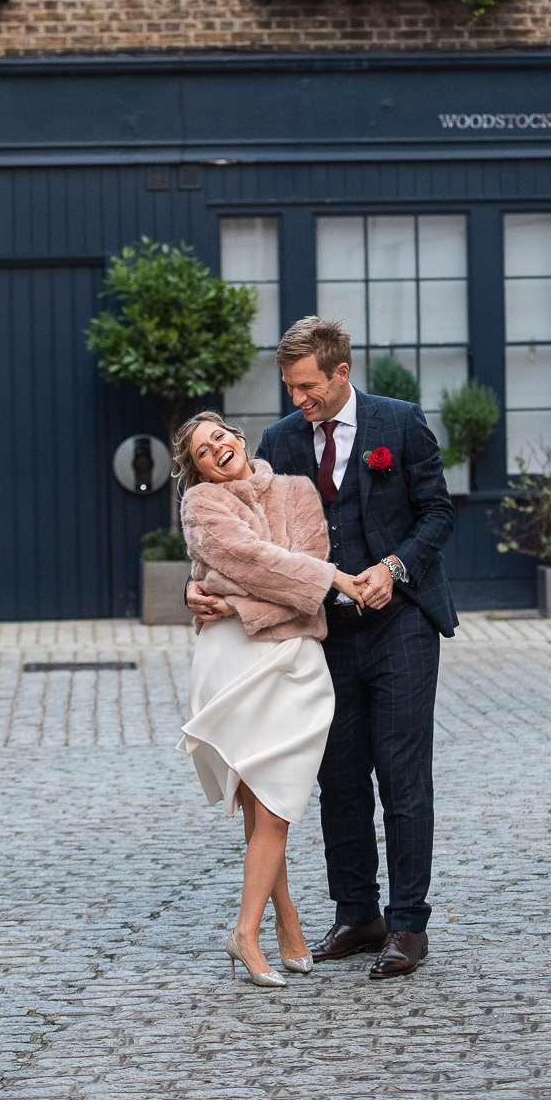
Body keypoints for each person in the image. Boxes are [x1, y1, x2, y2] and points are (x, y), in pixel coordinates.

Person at [188, 317, 456, 981]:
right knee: (337, 777)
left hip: (400, 624)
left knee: (400, 774)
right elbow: (239, 540)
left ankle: (405, 925)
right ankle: (356, 913)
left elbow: (438, 514)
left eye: (306, 385)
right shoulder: (279, 441)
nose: (296, 398)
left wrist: (393, 567)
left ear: (341, 372)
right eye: (287, 385)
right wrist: (192, 592)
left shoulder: (400, 424)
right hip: (320, 632)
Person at [174, 409, 367, 988]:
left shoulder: (296, 492)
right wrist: (329, 578)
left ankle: (285, 919)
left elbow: (290, 587)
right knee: (267, 806)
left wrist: (238, 602)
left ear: (237, 435)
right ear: (200, 472)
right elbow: (259, 563)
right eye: (203, 454)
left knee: (276, 804)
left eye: (219, 439)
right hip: (234, 662)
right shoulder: (202, 506)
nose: (216, 452)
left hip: (296, 663)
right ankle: (250, 930)